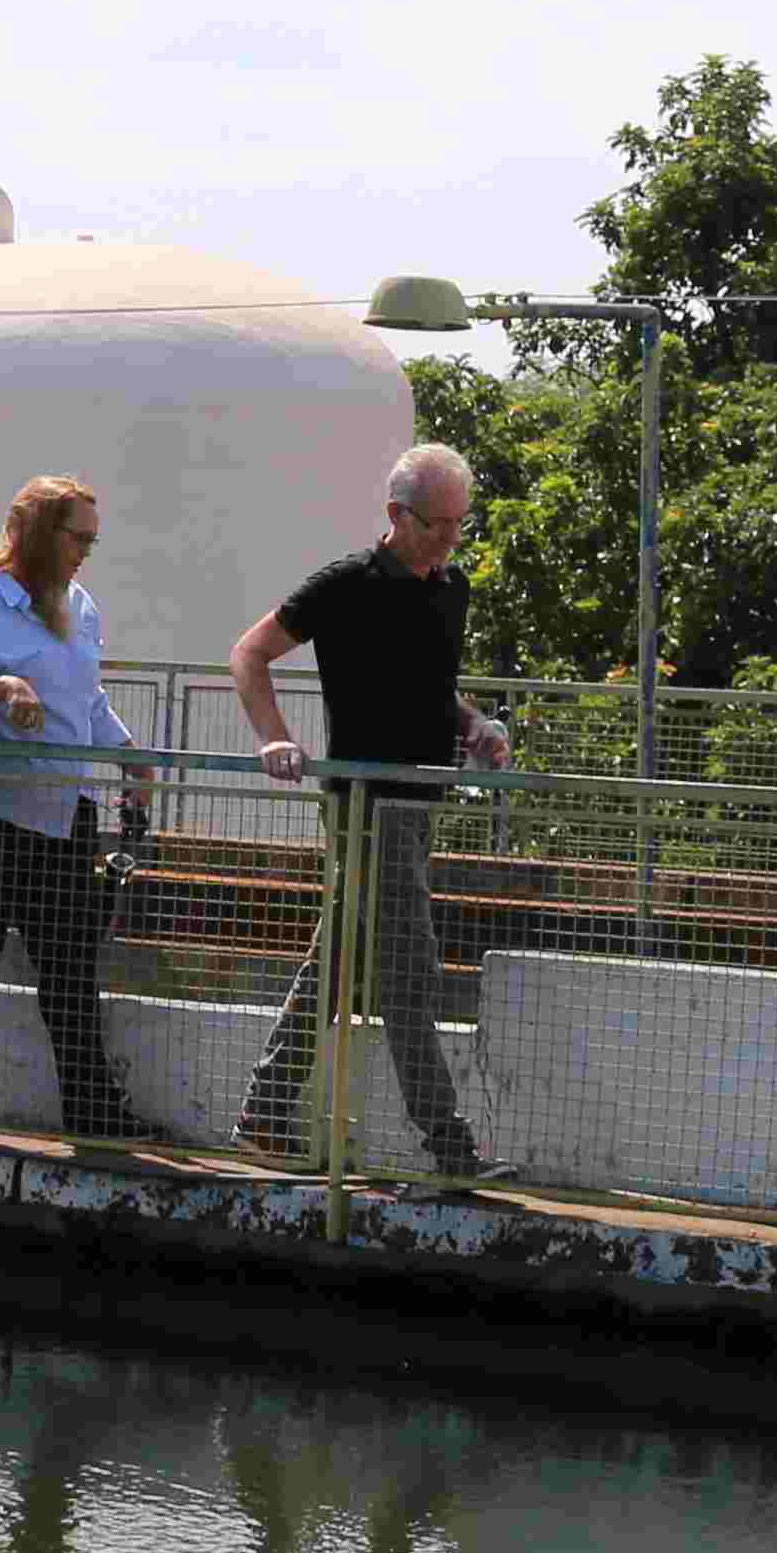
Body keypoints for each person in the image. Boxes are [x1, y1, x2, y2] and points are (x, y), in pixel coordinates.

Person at [231, 441, 512, 1176]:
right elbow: (250, 654)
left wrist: (473, 726)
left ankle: (263, 1112)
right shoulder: (345, 584)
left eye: (460, 523)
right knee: (409, 973)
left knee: (338, 962)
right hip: (366, 804)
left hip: (417, 806)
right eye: (438, 524)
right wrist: (275, 741)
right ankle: (448, 1146)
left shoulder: (450, 589)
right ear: (396, 516)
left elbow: (431, 688)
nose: (451, 539)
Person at [0, 477, 155, 1141]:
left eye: (91, 541)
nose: (86, 552)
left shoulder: (81, 606)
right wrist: (1, 688)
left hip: (60, 811)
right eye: (78, 538)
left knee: (71, 977)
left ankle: (94, 1117)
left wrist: (129, 752)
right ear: (40, 534)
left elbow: (86, 702)